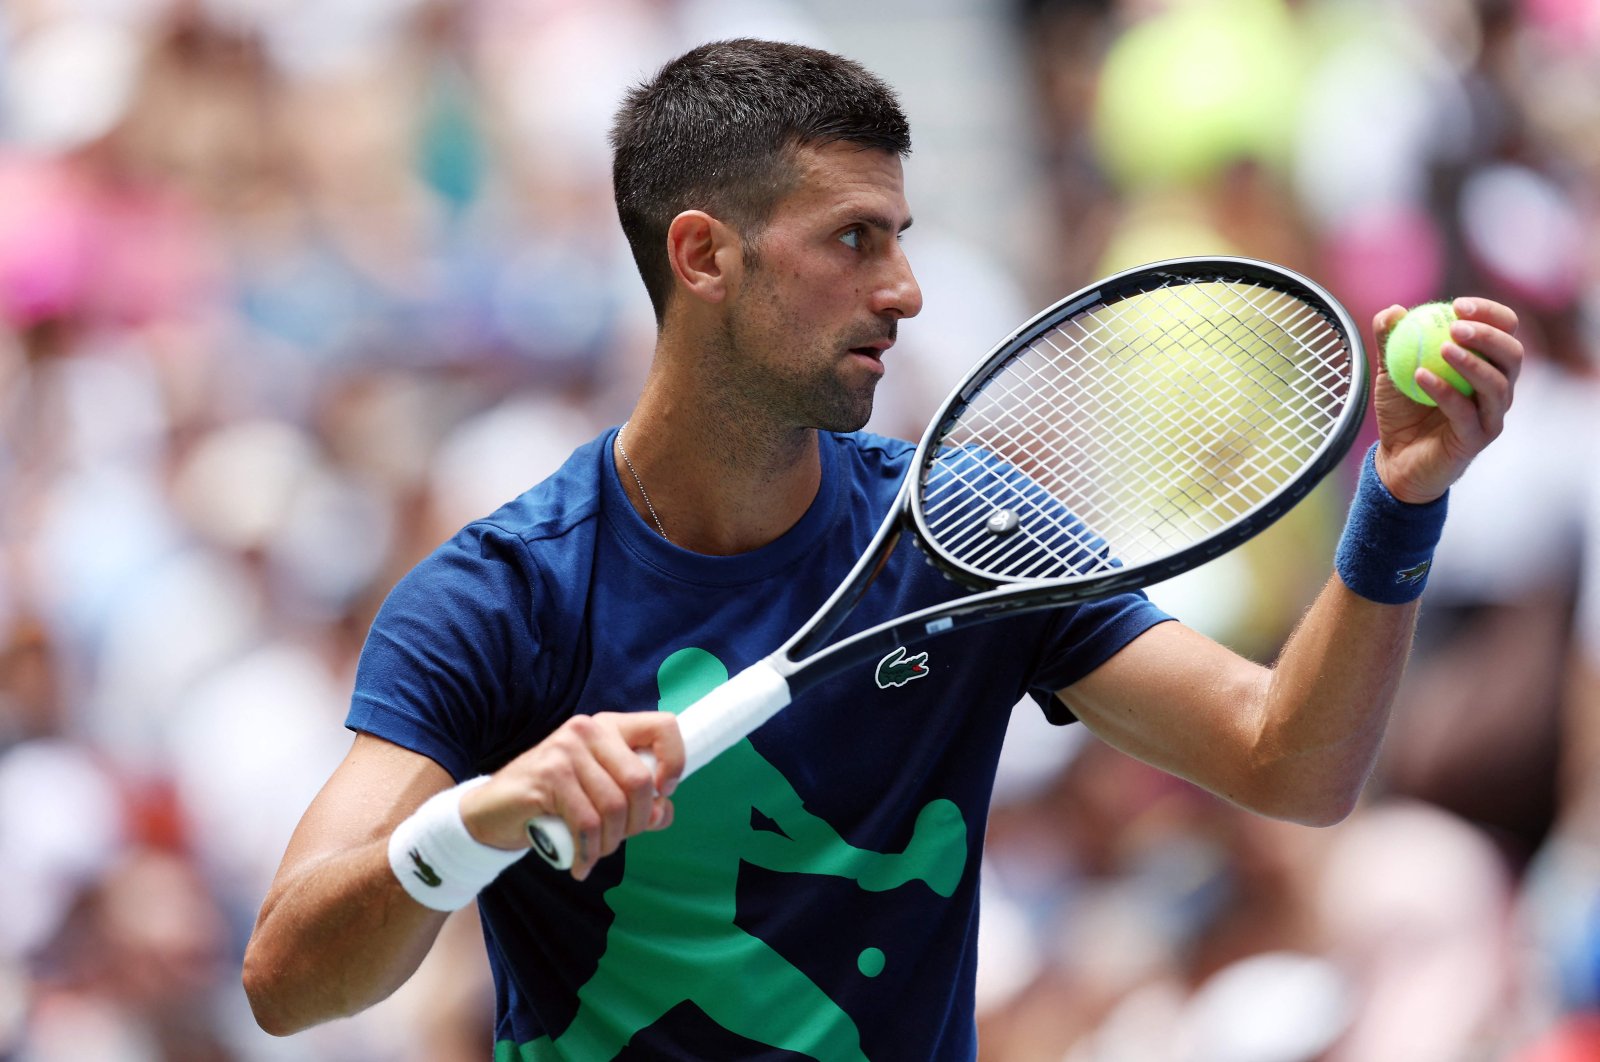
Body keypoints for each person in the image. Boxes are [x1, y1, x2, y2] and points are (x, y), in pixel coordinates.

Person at [241, 38, 1523, 1060]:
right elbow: (287, 981)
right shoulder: (502, 597)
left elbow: (1289, 762)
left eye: (902, 236)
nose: (905, 288)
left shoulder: (964, 535)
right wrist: (484, 818)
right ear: (704, 256)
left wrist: (1400, 501)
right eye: (856, 238)